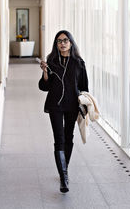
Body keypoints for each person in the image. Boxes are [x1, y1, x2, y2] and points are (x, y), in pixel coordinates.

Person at [38, 30, 88, 193]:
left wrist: (85, 107)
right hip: (55, 105)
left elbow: (84, 88)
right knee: (59, 138)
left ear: (71, 43)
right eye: (59, 41)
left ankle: (63, 166)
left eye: (66, 40)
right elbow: (44, 87)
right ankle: (64, 177)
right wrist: (45, 72)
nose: (63, 43)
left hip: (72, 105)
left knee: (69, 137)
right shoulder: (51, 61)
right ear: (56, 44)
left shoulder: (79, 63)